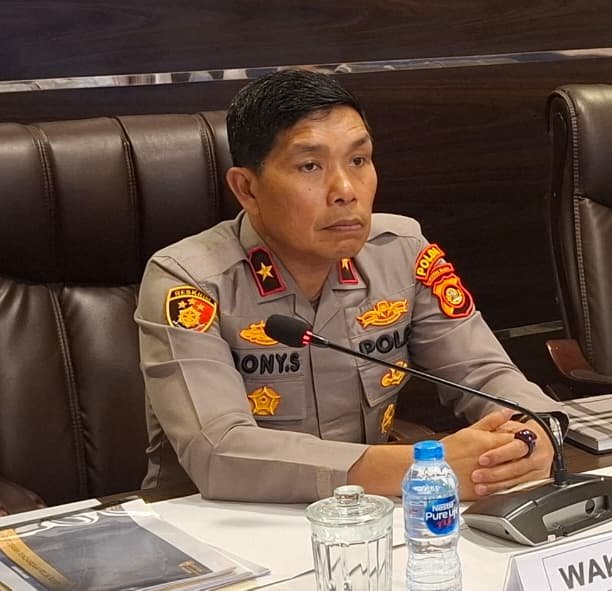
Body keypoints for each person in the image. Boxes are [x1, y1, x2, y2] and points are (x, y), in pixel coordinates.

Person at [136, 69, 560, 503]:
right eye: (310, 166)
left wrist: (534, 432)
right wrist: (420, 467)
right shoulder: (188, 281)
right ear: (247, 188)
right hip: (214, 523)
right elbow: (219, 451)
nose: (345, 190)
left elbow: (484, 374)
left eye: (358, 161)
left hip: (365, 515)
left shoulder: (401, 252)